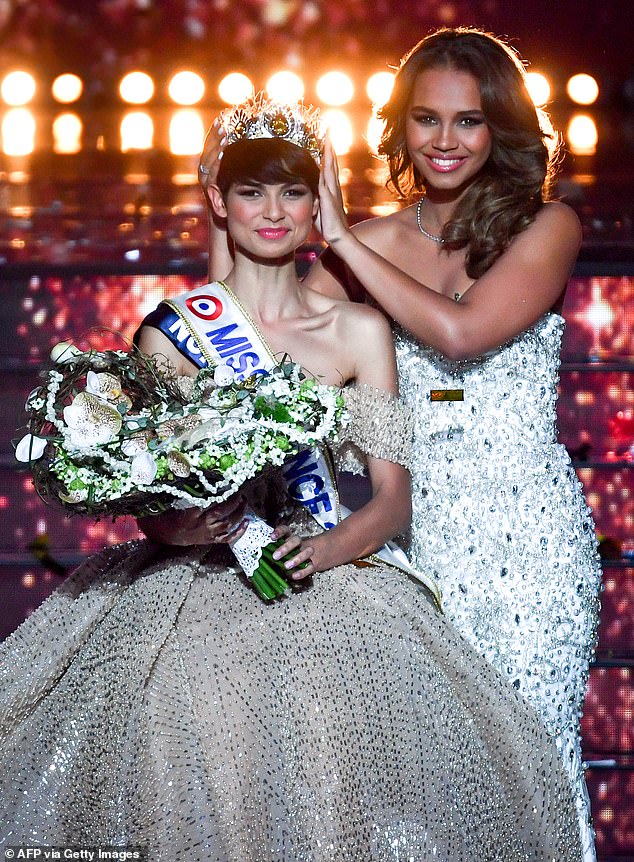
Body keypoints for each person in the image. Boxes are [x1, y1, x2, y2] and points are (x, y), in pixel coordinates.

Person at [0, 96, 582, 861]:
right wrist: (178, 524)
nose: (272, 212)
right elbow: (150, 493)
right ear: (219, 200)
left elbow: (392, 494)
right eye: (249, 192)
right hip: (195, 581)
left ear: (319, 202)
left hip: (329, 570)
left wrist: (326, 552)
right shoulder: (174, 332)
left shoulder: (358, 329)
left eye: (292, 193)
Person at [198, 28, 602, 862]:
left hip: (530, 546)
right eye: (426, 120)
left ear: (502, 130)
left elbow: (461, 334)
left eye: (469, 122)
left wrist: (343, 240)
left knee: (532, 764)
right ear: (401, 127)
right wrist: (216, 211)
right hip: (407, 545)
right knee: (420, 785)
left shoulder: (549, 225)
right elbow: (263, 342)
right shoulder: (376, 240)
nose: (445, 142)